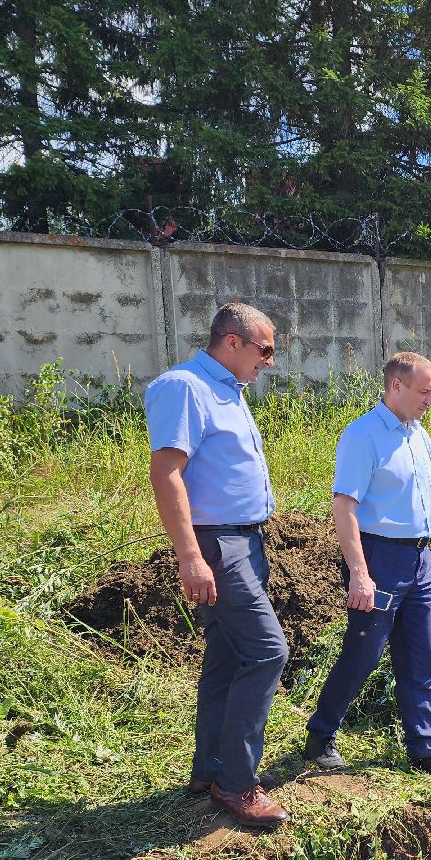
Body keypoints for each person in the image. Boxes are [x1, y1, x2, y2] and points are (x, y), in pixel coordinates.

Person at [145, 302, 290, 828]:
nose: (270, 361)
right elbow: (167, 475)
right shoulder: (185, 387)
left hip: (244, 541)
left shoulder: (227, 389)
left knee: (227, 659)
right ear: (232, 342)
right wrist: (190, 557)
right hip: (218, 545)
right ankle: (236, 784)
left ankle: (211, 769)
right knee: (268, 652)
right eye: (265, 349)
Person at [304, 352, 431, 775]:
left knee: (421, 655)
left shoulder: (418, 434)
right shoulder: (362, 436)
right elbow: (343, 506)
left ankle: (424, 748)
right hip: (380, 557)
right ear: (396, 386)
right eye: (423, 392)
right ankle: (321, 735)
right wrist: (360, 573)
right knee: (364, 653)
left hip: (420, 558)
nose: (428, 401)